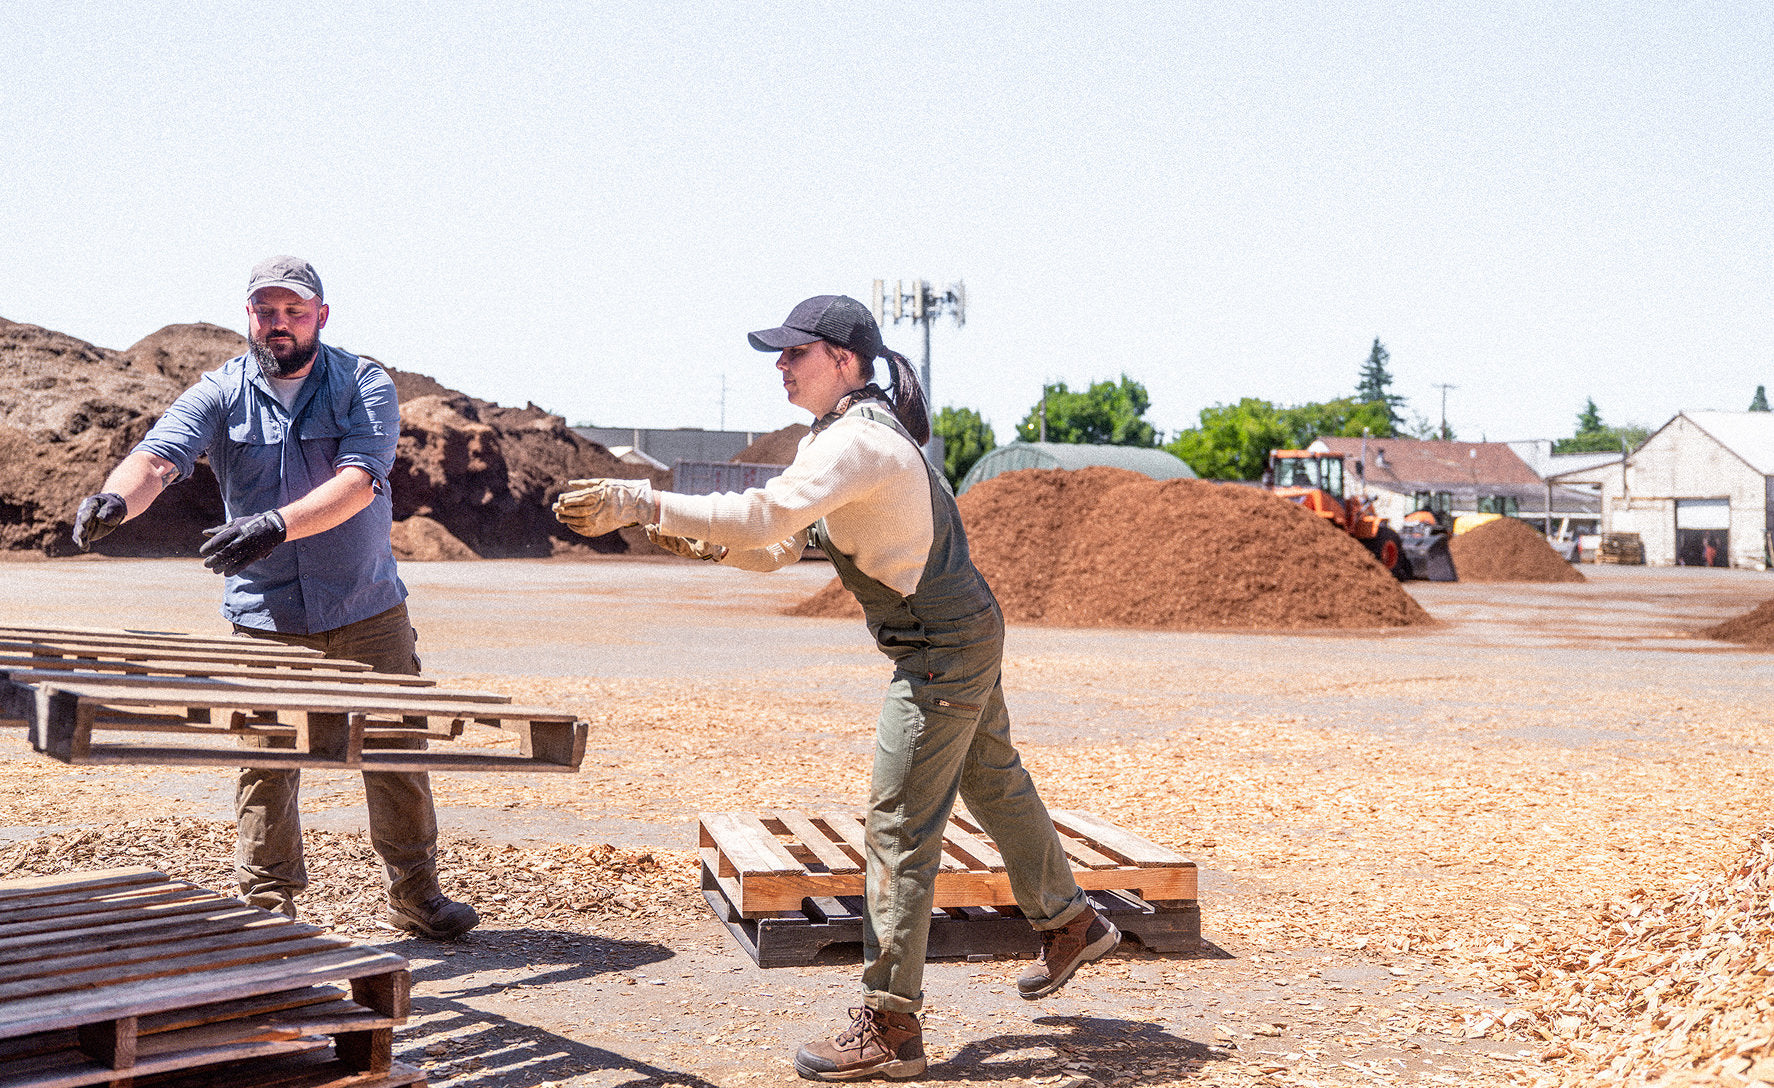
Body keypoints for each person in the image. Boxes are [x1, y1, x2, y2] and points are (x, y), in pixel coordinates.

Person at [554, 295, 1118, 1081]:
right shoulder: (841, 437)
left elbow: (762, 516)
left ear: (843, 361)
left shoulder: (858, 443)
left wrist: (643, 499)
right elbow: (779, 546)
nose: (781, 367)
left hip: (939, 648)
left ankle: (891, 1025)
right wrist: (691, 538)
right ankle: (1072, 924)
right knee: (992, 779)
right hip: (956, 632)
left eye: (796, 353)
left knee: (899, 827)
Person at [70, 255, 478, 940]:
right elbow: (160, 456)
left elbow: (360, 480)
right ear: (249, 316)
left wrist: (274, 525)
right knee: (266, 760)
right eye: (267, 311)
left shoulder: (363, 383)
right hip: (267, 618)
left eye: (295, 310)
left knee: (395, 754)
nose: (280, 323)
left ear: (321, 315)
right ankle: (267, 909)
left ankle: (416, 897)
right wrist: (115, 498)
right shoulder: (220, 390)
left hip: (365, 607)